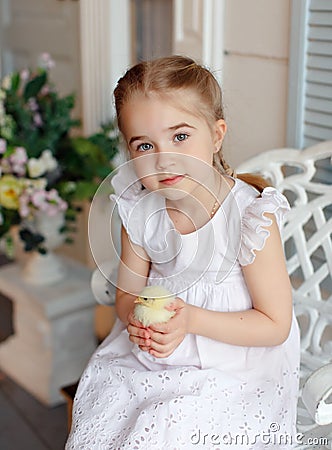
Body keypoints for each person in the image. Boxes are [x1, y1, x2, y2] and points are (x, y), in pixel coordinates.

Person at [66, 55, 300, 449]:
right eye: (144, 145)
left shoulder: (248, 217)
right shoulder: (140, 212)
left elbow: (274, 325)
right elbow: (126, 296)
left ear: (216, 134)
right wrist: (137, 322)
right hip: (157, 356)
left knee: (165, 429)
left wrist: (190, 319)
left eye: (180, 136)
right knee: (106, 414)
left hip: (235, 365)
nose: (164, 158)